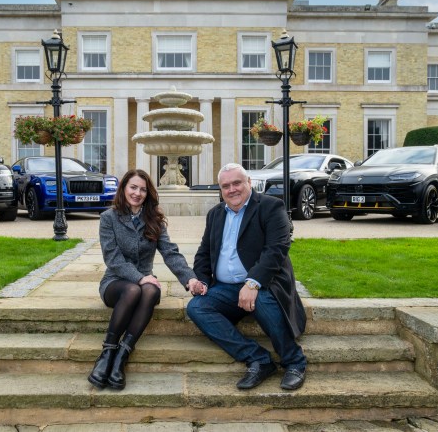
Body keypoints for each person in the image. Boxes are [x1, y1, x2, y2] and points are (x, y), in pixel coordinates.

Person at [186, 162, 308, 390]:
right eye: (225, 186)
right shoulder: (215, 214)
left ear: (249, 183)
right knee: (196, 307)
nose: (232, 190)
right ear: (220, 190)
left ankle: (294, 361)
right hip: (226, 288)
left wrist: (252, 282)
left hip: (265, 284)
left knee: (260, 296)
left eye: (236, 183)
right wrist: (201, 280)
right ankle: (259, 359)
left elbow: (277, 249)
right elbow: (204, 253)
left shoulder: (271, 206)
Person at [90, 169, 206, 390]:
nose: (137, 193)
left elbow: (170, 253)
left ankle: (121, 357)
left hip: (144, 284)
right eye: (133, 187)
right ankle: (107, 352)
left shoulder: (154, 220)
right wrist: (141, 278)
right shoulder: (108, 218)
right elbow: (112, 259)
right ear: (124, 188)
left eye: (143, 189)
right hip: (115, 283)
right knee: (135, 290)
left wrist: (190, 279)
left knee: (151, 291)